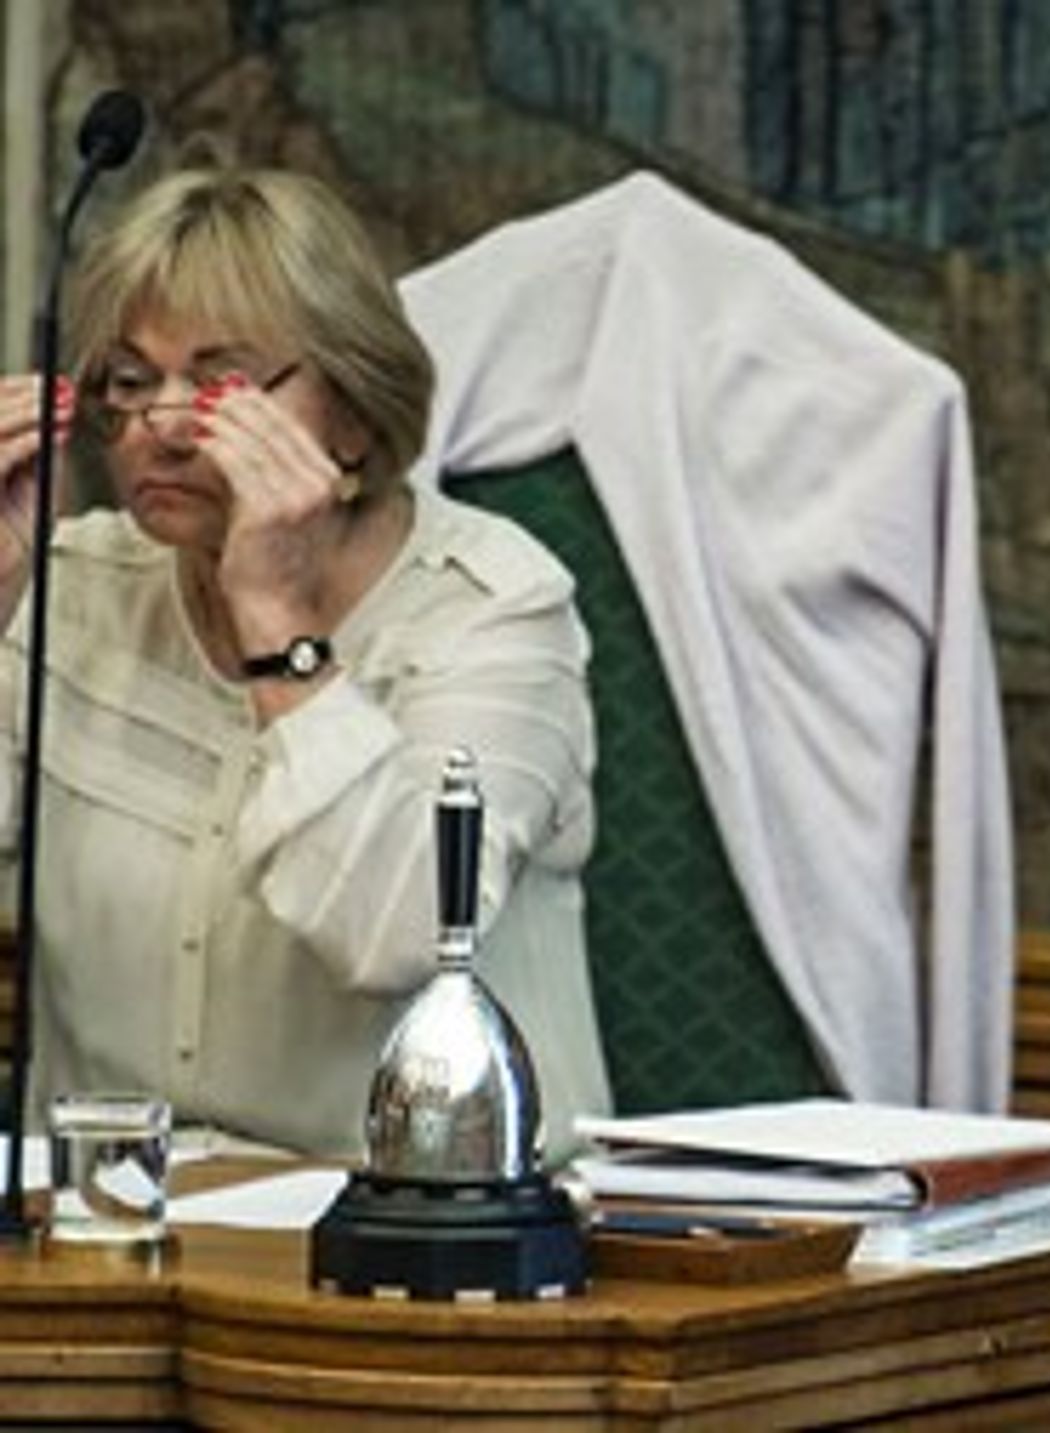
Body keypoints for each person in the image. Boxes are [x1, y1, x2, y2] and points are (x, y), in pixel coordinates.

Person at [0, 162, 611, 1160]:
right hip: (106, 1245)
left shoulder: (495, 608)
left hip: (422, 1256)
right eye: (131, 379)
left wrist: (276, 621)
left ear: (355, 413)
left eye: (220, 383)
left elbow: (401, 931)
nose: (161, 424)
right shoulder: (72, 589)